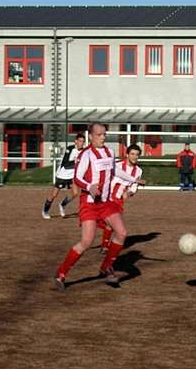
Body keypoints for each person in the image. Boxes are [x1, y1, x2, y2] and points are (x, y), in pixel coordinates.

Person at [53, 123, 143, 290]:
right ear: (91, 135)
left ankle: (106, 266)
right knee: (86, 242)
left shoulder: (110, 152)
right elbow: (77, 178)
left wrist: (134, 180)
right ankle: (61, 273)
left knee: (122, 232)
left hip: (106, 202)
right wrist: (89, 187)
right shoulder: (86, 154)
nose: (103, 137)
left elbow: (115, 171)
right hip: (89, 204)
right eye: (99, 134)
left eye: (104, 134)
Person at [99, 143, 143, 253]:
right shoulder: (117, 165)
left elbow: (134, 187)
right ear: (127, 154)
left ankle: (104, 246)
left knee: (111, 223)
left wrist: (128, 193)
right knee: (110, 222)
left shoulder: (138, 171)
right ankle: (105, 246)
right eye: (132, 154)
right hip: (108, 196)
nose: (135, 156)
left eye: (137, 154)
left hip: (119, 199)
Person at [41, 132, 85, 219]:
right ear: (76, 141)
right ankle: (45, 211)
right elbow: (66, 164)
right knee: (54, 195)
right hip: (63, 174)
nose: (81, 143)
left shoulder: (83, 151)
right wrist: (76, 162)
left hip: (72, 176)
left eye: (83, 141)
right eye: (80, 141)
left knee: (75, 193)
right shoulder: (70, 149)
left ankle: (62, 205)